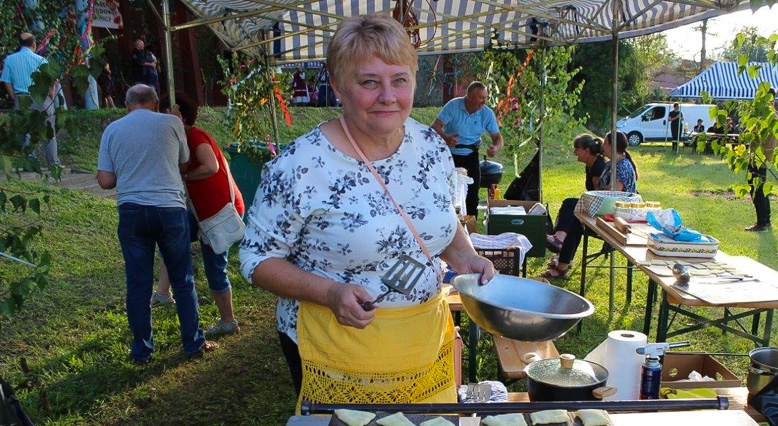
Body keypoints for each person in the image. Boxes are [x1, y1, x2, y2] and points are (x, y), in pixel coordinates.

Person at [238, 15, 494, 404]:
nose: (387, 95)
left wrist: (467, 257)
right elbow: (256, 259)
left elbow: (439, 221)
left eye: (399, 79)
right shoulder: (300, 166)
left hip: (421, 334)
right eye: (369, 81)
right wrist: (330, 292)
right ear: (339, 86)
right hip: (339, 343)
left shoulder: (430, 146)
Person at [96, 84, 215, 363]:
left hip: (132, 211)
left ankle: (142, 352)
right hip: (170, 209)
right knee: (183, 279)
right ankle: (193, 344)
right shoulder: (172, 122)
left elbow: (105, 181)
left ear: (127, 106)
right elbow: (184, 164)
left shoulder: (112, 130)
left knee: (138, 284)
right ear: (155, 101)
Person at [152, 92, 244, 337]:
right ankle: (162, 293)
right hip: (199, 211)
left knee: (215, 268)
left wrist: (185, 176)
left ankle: (229, 322)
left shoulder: (194, 136)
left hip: (218, 212)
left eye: (167, 113)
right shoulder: (182, 137)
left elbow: (211, 166)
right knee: (170, 239)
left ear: (180, 115)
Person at [431, 81, 504, 216]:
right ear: (469, 96)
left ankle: (471, 228)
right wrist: (446, 138)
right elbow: (435, 126)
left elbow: (498, 138)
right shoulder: (453, 105)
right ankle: (448, 223)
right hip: (449, 154)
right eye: (481, 97)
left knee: (472, 194)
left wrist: (495, 148)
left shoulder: (487, 113)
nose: (484, 101)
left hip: (471, 154)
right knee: (447, 192)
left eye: (486, 97)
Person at [542, 134, 607, 279]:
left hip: (603, 214)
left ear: (586, 150)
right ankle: (562, 267)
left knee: (569, 203)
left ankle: (559, 240)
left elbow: (599, 196)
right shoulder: (591, 165)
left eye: (577, 148)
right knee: (574, 222)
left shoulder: (598, 166)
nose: (574, 152)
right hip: (596, 208)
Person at [1, 33, 61, 169]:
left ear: (19, 44)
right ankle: (53, 164)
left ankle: (31, 164)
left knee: (25, 132)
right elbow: (50, 84)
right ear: (34, 45)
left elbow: (6, 82)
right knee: (49, 131)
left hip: (21, 98)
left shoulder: (10, 60)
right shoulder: (42, 60)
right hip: (42, 98)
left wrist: (14, 97)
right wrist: (50, 97)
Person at [746, 88, 778, 232]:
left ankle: (762, 223)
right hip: (763, 158)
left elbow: (754, 135)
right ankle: (765, 221)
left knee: (757, 190)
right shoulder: (774, 115)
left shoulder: (767, 117)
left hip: (759, 158)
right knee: (761, 190)